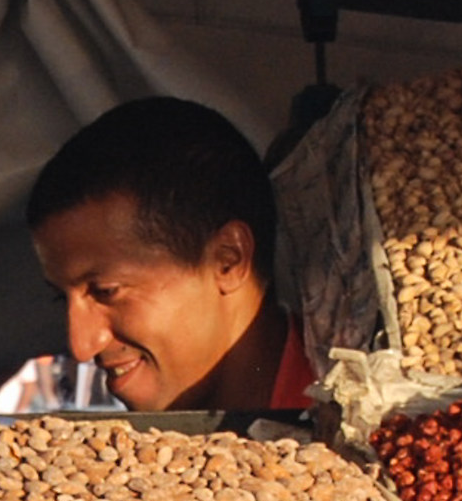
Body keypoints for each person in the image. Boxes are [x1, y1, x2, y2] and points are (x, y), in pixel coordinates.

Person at [27, 97, 315, 414]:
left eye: (106, 291)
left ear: (227, 260)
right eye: (61, 299)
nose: (82, 346)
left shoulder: (363, 437)